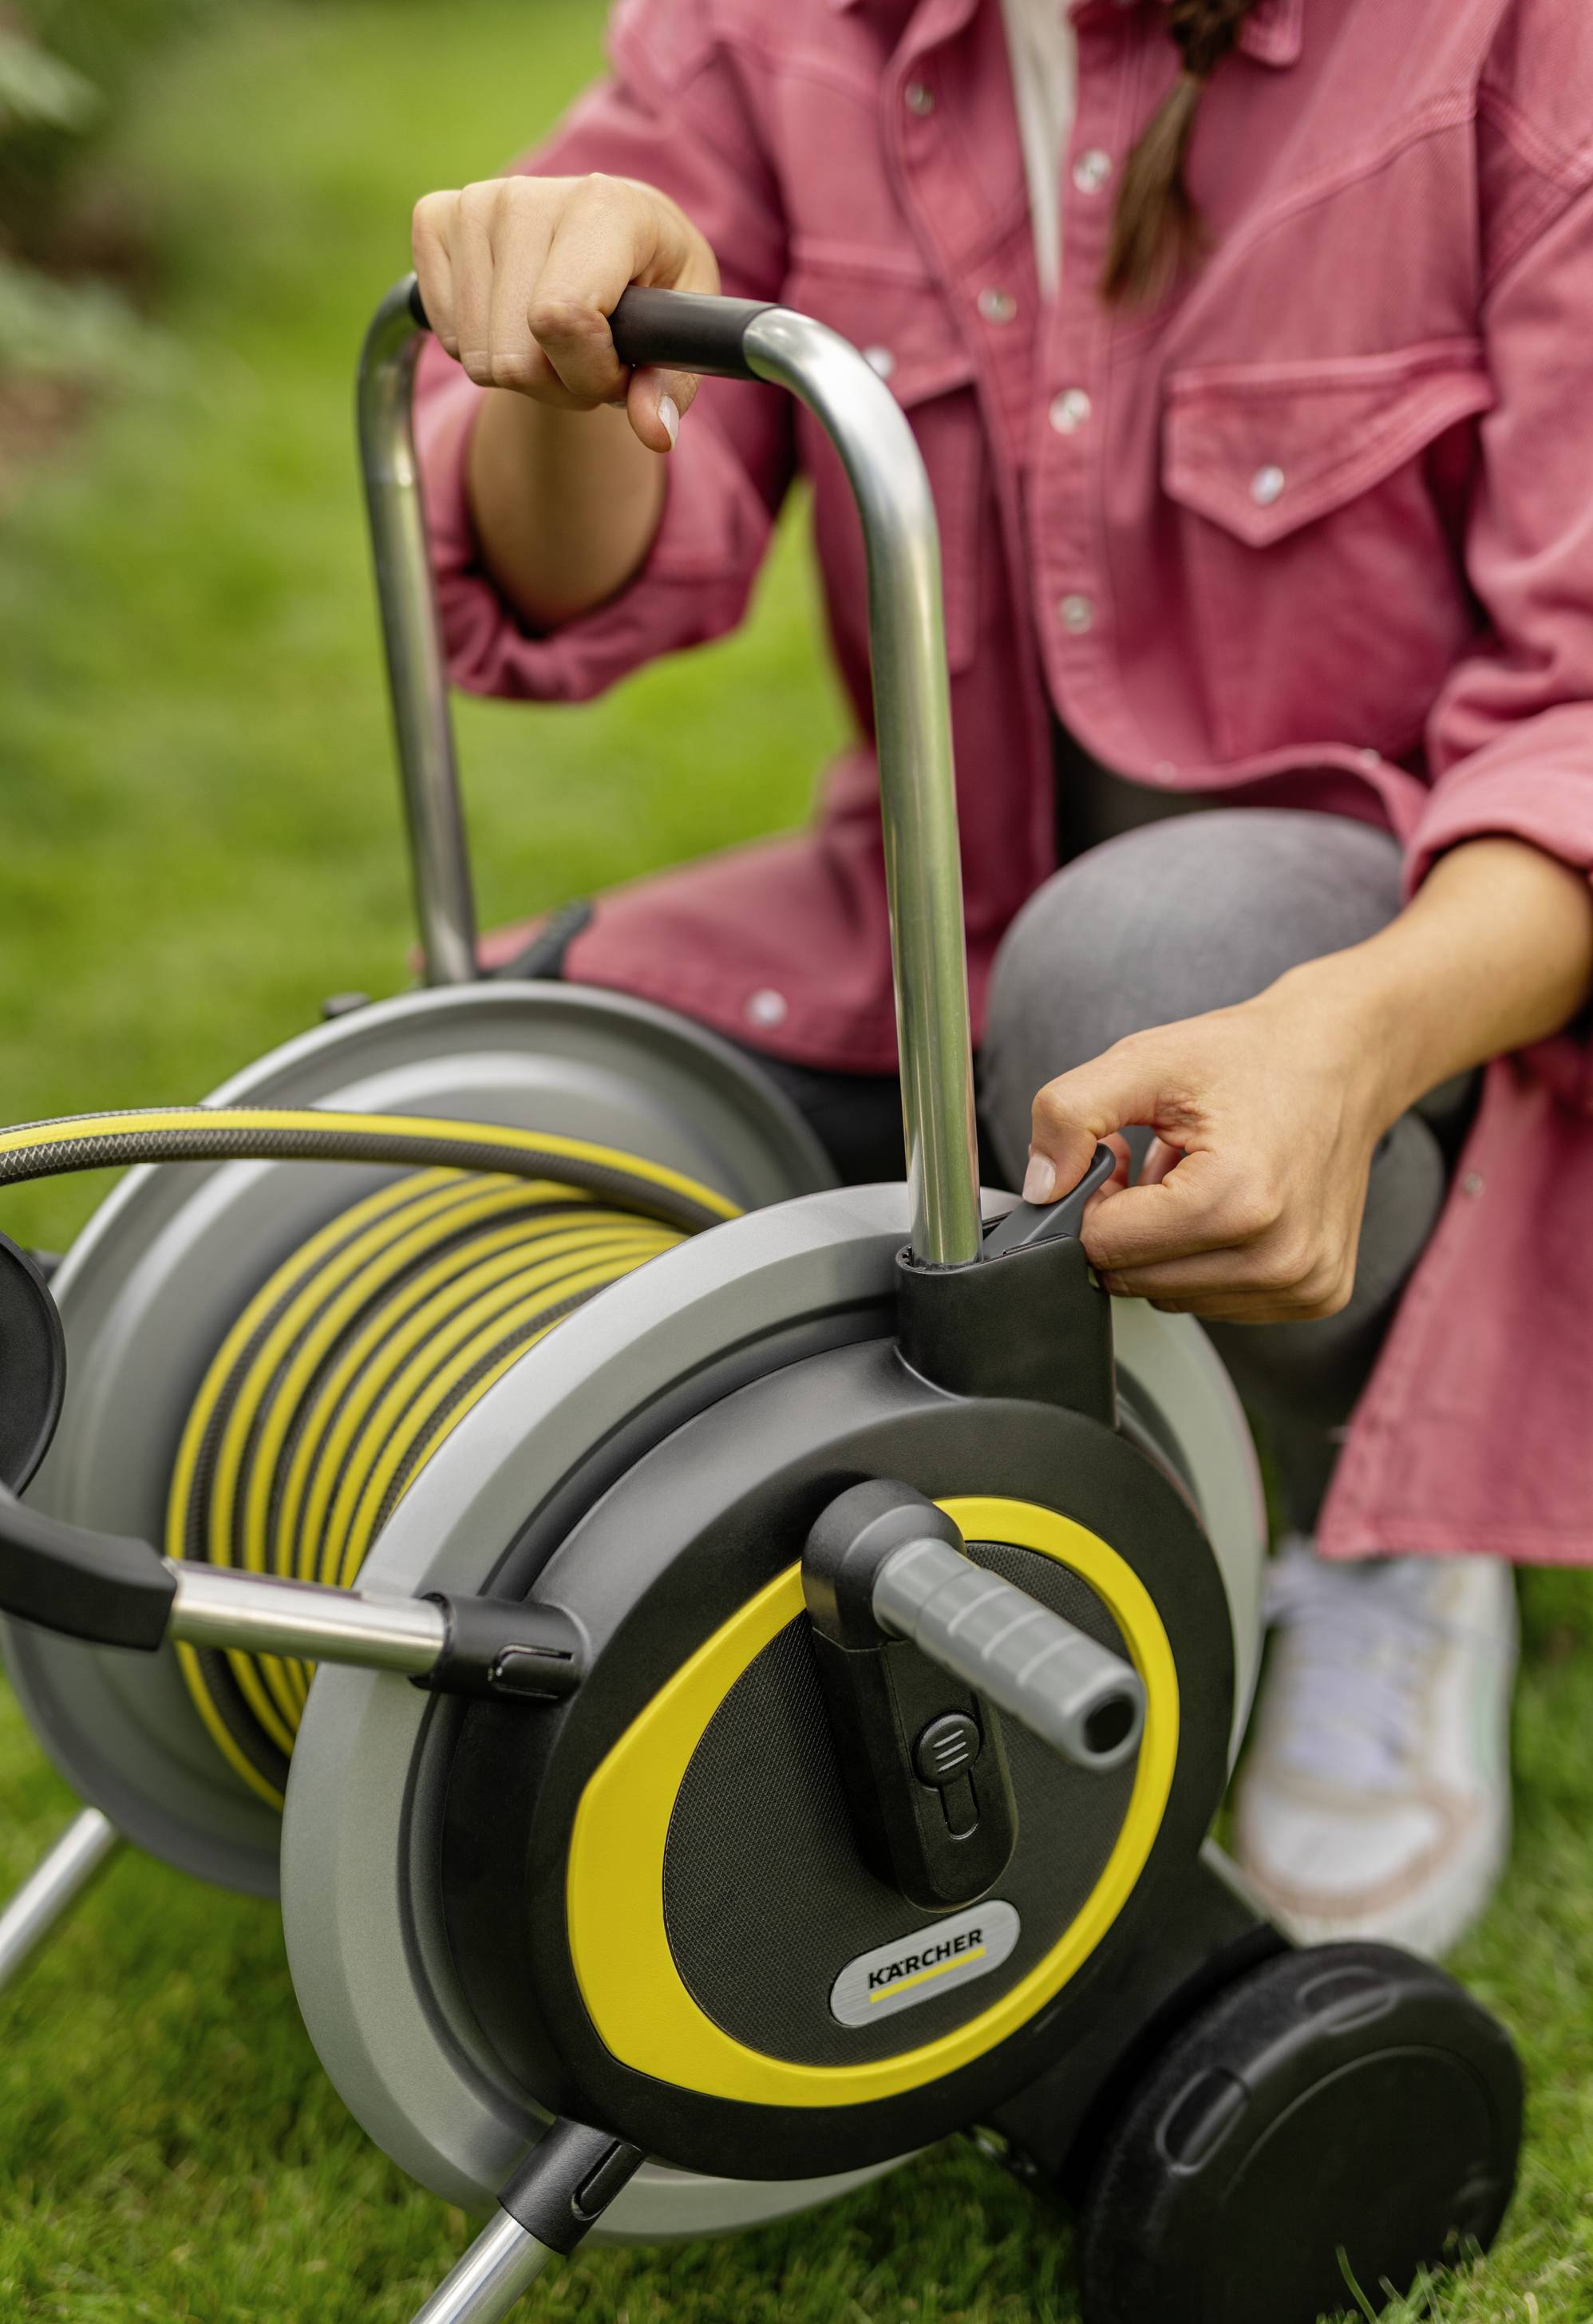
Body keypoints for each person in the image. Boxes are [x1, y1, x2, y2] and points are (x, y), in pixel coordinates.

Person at [409, 0, 1593, 1958]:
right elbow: (572, 584)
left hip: (1389, 970)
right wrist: (555, 345)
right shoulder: (766, 32)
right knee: (502, 1128)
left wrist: (1346, 1036)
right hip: (928, 935)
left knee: (1136, 962)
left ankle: (1375, 1512)